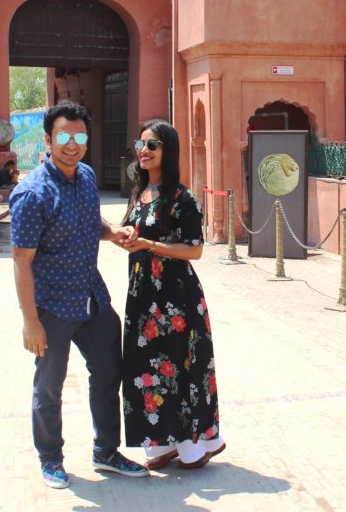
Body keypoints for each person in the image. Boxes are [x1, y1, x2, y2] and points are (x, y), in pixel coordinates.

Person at [9, 100, 148, 489]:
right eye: (64, 136)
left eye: (80, 136)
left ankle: (106, 451)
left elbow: (92, 220)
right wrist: (30, 321)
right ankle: (50, 458)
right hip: (52, 306)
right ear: (49, 139)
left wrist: (113, 232)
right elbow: (22, 260)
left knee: (108, 373)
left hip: (92, 297)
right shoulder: (32, 192)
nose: (72, 144)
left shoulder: (86, 176)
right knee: (49, 386)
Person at [116, 119, 225, 470]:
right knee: (145, 366)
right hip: (142, 293)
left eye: (153, 145)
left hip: (175, 298)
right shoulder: (138, 192)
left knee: (180, 367)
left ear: (168, 151)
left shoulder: (181, 197)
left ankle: (197, 444)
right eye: (141, 143)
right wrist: (126, 239)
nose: (144, 151)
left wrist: (149, 244)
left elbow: (194, 250)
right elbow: (134, 235)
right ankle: (160, 443)